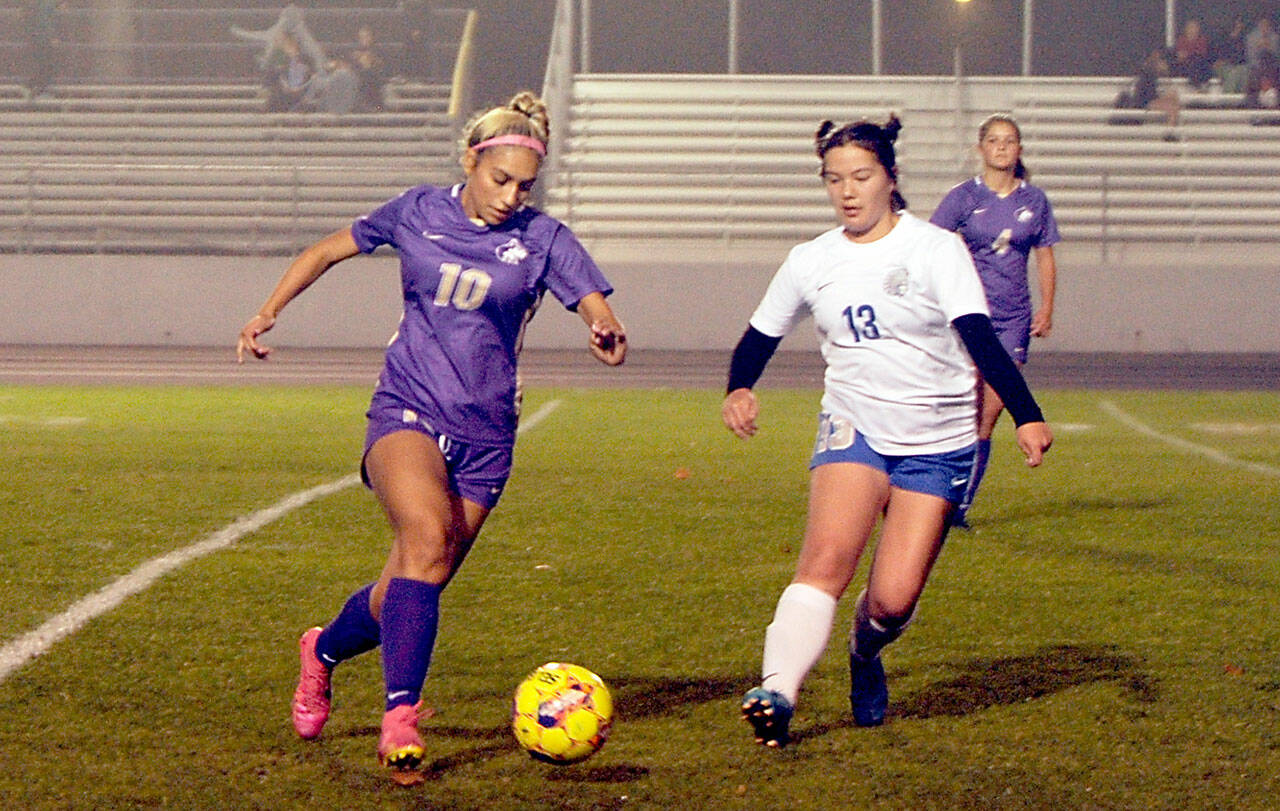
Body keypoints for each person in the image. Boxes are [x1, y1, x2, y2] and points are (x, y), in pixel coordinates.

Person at [236, 91, 627, 783]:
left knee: (414, 580)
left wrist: (604, 329)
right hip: (407, 409)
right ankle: (401, 721)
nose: (511, 196)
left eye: (524, 185)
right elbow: (329, 248)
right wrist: (267, 311)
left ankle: (322, 651)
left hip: (488, 435)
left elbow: (592, 303)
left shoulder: (543, 238)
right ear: (471, 163)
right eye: (500, 179)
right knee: (423, 541)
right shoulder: (419, 210)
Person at [722, 116, 1052, 748]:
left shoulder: (934, 250)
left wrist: (1027, 413)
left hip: (937, 440)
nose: (847, 191)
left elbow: (981, 339)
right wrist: (739, 387)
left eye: (862, 177)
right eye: (834, 179)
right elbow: (760, 336)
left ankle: (864, 653)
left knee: (893, 602)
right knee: (824, 563)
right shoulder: (811, 260)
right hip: (857, 426)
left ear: (891, 179)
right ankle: (777, 692)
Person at [929, 113, 1060, 529]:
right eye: (995, 140)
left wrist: (1047, 307)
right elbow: (930, 246)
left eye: (1010, 141)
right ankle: (938, 497)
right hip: (967, 317)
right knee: (959, 409)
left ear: (1019, 150)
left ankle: (959, 507)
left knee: (987, 413)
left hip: (1012, 319)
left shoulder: (1034, 201)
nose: (1002, 147)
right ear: (981, 148)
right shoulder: (964, 197)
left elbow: (1045, 254)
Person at [349, 24, 388, 112]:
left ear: (372, 37)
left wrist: (371, 61)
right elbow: (352, 69)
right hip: (359, 82)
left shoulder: (379, 51)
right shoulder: (355, 52)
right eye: (361, 37)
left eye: (366, 36)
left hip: (375, 82)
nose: (364, 39)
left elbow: (382, 68)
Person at [1172, 19, 1212, 88]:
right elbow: (1180, 55)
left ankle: (1198, 86)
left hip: (1198, 66)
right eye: (1190, 27)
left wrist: (1187, 54)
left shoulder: (1202, 40)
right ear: (1185, 29)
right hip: (1184, 66)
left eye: (1194, 27)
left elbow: (1201, 54)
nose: (1192, 30)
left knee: (1196, 62)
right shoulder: (1181, 40)